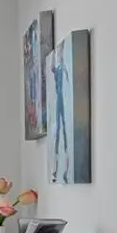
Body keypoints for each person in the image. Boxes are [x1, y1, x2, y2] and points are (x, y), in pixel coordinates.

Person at [51, 44, 70, 183]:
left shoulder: (63, 69)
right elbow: (51, 67)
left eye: (60, 52)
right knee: (58, 134)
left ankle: (64, 171)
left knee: (63, 134)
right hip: (58, 104)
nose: (59, 55)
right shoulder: (57, 69)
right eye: (58, 53)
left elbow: (68, 81)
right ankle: (57, 170)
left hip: (62, 104)